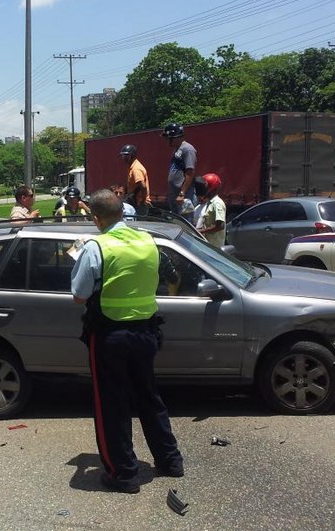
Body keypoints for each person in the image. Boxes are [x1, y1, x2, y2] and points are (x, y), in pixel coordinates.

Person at [70, 189, 184, 494]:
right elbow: (168, 276)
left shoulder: (97, 247)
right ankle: (170, 461)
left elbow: (79, 296)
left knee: (112, 405)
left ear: (96, 218)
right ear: (123, 213)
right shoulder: (149, 241)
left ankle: (123, 474)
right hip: (147, 333)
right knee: (149, 397)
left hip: (110, 336)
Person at [162, 123, 199, 218]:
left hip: (185, 196)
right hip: (175, 194)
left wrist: (182, 193)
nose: (166, 140)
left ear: (175, 136)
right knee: (177, 223)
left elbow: (190, 172)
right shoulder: (177, 149)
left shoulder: (187, 149)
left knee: (186, 224)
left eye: (168, 138)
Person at [192, 173, 226, 247]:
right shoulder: (209, 203)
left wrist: (200, 231)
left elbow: (220, 226)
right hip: (207, 246)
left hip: (215, 247)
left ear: (212, 188)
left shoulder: (217, 203)